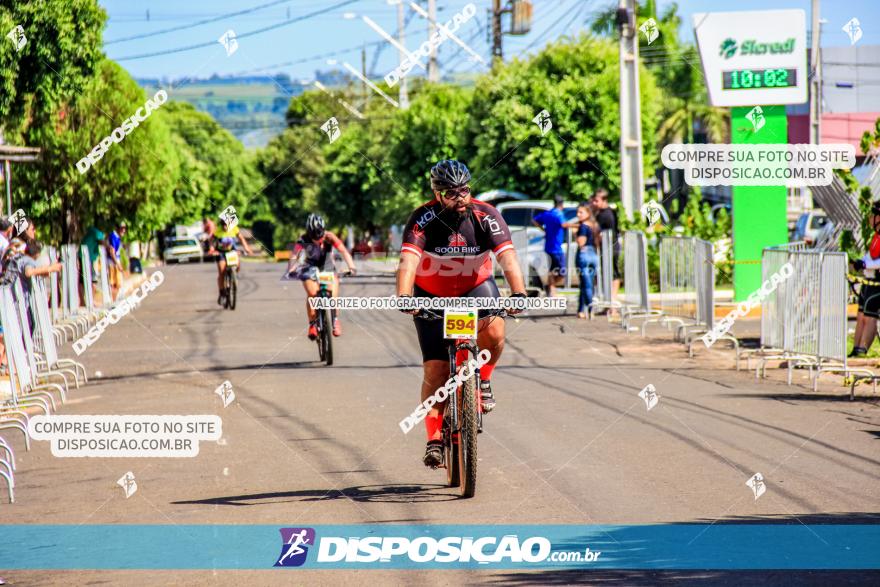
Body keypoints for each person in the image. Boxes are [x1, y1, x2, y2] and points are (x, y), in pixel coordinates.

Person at [396, 159, 527, 468]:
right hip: (431, 294)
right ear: (437, 194)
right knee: (437, 371)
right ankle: (434, 439)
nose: (460, 198)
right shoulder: (422, 218)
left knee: (495, 331)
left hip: (475, 287)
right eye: (451, 193)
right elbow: (408, 262)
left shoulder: (486, 216)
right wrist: (404, 296)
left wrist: (519, 292)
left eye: (465, 191)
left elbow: (507, 257)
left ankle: (483, 379)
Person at [286, 214, 356, 338]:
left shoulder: (330, 237)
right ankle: (312, 323)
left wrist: (351, 266)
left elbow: (344, 251)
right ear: (308, 233)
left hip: (326, 267)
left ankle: (335, 320)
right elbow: (294, 256)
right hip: (309, 267)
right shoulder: (302, 239)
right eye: (314, 236)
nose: (318, 239)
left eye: (320, 235)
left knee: (332, 292)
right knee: (312, 294)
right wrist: (291, 269)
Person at [9, 240, 63, 333]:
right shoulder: (28, 260)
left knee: (28, 324)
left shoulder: (19, 257)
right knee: (26, 326)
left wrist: (46, 271)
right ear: (37, 254)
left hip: (15, 298)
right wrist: (50, 268)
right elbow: (28, 272)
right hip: (19, 299)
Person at [849, 201, 880, 357]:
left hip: (877, 284)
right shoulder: (876, 236)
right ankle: (855, 350)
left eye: (873, 215)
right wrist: (858, 261)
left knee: (870, 317)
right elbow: (871, 256)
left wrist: (865, 263)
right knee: (861, 316)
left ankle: (862, 350)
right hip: (869, 282)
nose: (870, 218)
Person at [591, 188, 621, 314]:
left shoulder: (607, 215)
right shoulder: (601, 213)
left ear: (604, 200)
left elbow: (601, 233)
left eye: (596, 200)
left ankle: (612, 304)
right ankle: (608, 303)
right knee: (605, 275)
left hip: (611, 248)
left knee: (613, 274)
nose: (594, 203)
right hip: (605, 248)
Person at [213, 217, 253, 305]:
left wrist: (246, 248)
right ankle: (222, 292)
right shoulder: (217, 231)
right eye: (223, 225)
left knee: (237, 265)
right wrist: (212, 249)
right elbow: (211, 240)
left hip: (232, 252)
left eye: (227, 225)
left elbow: (241, 239)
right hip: (221, 253)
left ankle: (233, 276)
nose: (225, 227)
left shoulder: (234, 229)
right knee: (222, 272)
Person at [533, 196, 567, 298]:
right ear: (562, 204)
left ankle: (550, 288)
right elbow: (564, 224)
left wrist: (543, 230)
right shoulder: (559, 214)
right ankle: (551, 287)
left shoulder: (548, 213)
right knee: (562, 271)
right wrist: (579, 226)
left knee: (552, 270)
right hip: (557, 248)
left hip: (548, 247)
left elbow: (534, 220)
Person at [573, 202, 600, 319]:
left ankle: (590, 309)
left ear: (588, 213)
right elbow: (598, 242)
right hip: (594, 254)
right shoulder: (594, 225)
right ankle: (580, 310)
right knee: (586, 284)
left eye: (581, 212)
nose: (578, 214)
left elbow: (581, 242)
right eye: (577, 212)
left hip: (584, 254)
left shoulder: (583, 226)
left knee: (586, 285)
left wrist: (575, 235)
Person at [106, 222, 127, 300]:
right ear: (117, 228)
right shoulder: (113, 237)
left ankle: (114, 300)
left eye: (125, 228)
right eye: (122, 228)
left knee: (117, 284)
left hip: (114, 263)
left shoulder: (116, 237)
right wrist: (117, 264)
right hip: (112, 264)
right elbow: (112, 252)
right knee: (113, 283)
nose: (124, 230)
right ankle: (113, 301)